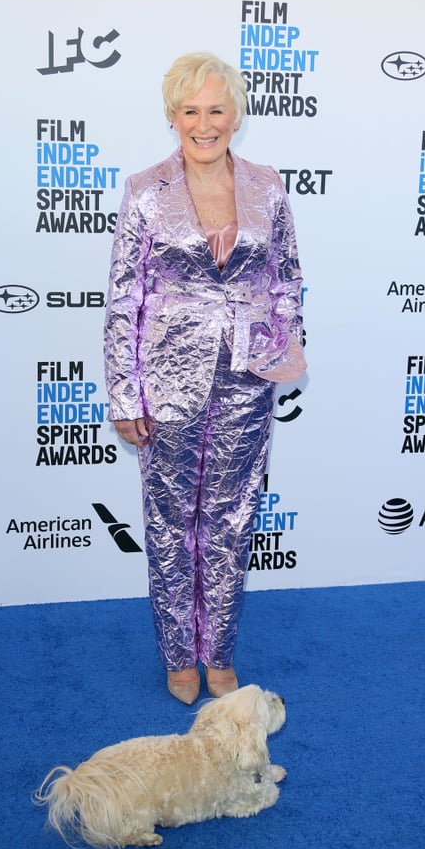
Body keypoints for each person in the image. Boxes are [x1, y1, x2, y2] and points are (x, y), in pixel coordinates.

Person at [103, 51, 306, 704]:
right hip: (167, 383)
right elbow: (122, 299)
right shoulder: (143, 190)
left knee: (230, 517)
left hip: (247, 382)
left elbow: (286, 278)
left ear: (235, 114)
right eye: (190, 110)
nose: (203, 122)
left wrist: (275, 357)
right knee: (169, 522)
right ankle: (177, 654)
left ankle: (217, 651)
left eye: (215, 108)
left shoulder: (267, 185)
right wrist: (124, 393)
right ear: (172, 116)